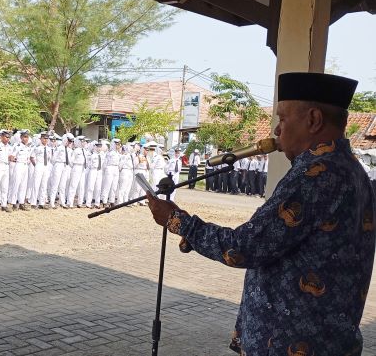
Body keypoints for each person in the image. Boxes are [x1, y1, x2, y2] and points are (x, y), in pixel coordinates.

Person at [145, 72, 375, 355]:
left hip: (293, 341)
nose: (277, 131)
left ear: (313, 120)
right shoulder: (350, 168)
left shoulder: (318, 173)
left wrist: (178, 221)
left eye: (283, 119)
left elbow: (244, 247)